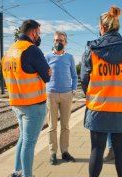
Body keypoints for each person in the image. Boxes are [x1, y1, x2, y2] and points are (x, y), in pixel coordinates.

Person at [81, 5, 122, 177]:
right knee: (121, 150)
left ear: (102, 27)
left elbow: (84, 80)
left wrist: (94, 95)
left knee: (97, 150)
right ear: (117, 26)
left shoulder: (92, 49)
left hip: (99, 108)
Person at [1, 19, 51, 177]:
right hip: (34, 105)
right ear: (33, 32)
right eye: (39, 33)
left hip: (17, 103)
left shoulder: (9, 52)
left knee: (22, 139)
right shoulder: (32, 50)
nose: (39, 37)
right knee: (29, 142)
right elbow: (47, 75)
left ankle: (17, 172)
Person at [45, 31, 78, 165]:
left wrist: (73, 90)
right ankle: (52, 153)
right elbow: (43, 75)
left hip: (66, 94)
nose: (59, 43)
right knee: (52, 126)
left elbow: (74, 76)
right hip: (51, 94)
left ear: (66, 43)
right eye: (57, 40)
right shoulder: (47, 57)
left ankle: (65, 151)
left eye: (61, 41)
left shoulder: (70, 57)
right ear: (53, 41)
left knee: (65, 126)